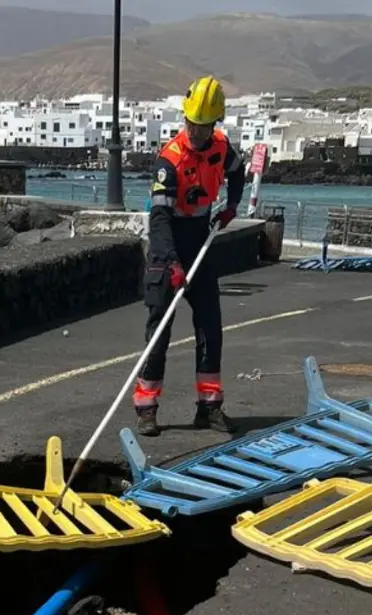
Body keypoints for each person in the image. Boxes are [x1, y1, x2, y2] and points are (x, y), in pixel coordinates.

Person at [132, 75, 246, 437]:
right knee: (160, 331)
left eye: (203, 126)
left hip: (201, 238)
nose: (195, 132)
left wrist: (231, 207)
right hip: (169, 244)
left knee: (210, 325)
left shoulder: (221, 148)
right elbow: (159, 218)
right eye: (191, 124)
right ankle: (147, 408)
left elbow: (237, 171)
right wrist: (171, 263)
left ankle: (209, 407)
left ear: (214, 124)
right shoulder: (170, 161)